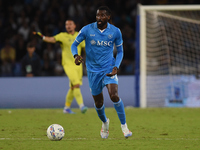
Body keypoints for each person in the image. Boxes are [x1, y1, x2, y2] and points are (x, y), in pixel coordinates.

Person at [71, 6, 132, 138]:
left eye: (102, 16)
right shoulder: (87, 29)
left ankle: (124, 126)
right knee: (98, 103)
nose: (99, 18)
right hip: (93, 71)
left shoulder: (115, 32)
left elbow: (120, 51)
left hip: (109, 68)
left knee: (114, 95)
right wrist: (76, 56)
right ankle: (105, 123)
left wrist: (116, 66)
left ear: (108, 17)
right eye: (98, 15)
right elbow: (74, 45)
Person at [33, 19, 88, 114]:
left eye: (70, 24)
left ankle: (66, 108)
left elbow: (86, 48)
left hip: (78, 65)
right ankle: (82, 106)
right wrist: (42, 37)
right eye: (66, 25)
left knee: (73, 87)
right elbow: (51, 39)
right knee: (76, 85)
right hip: (68, 64)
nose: (68, 26)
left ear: (75, 25)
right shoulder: (62, 36)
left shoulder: (79, 35)